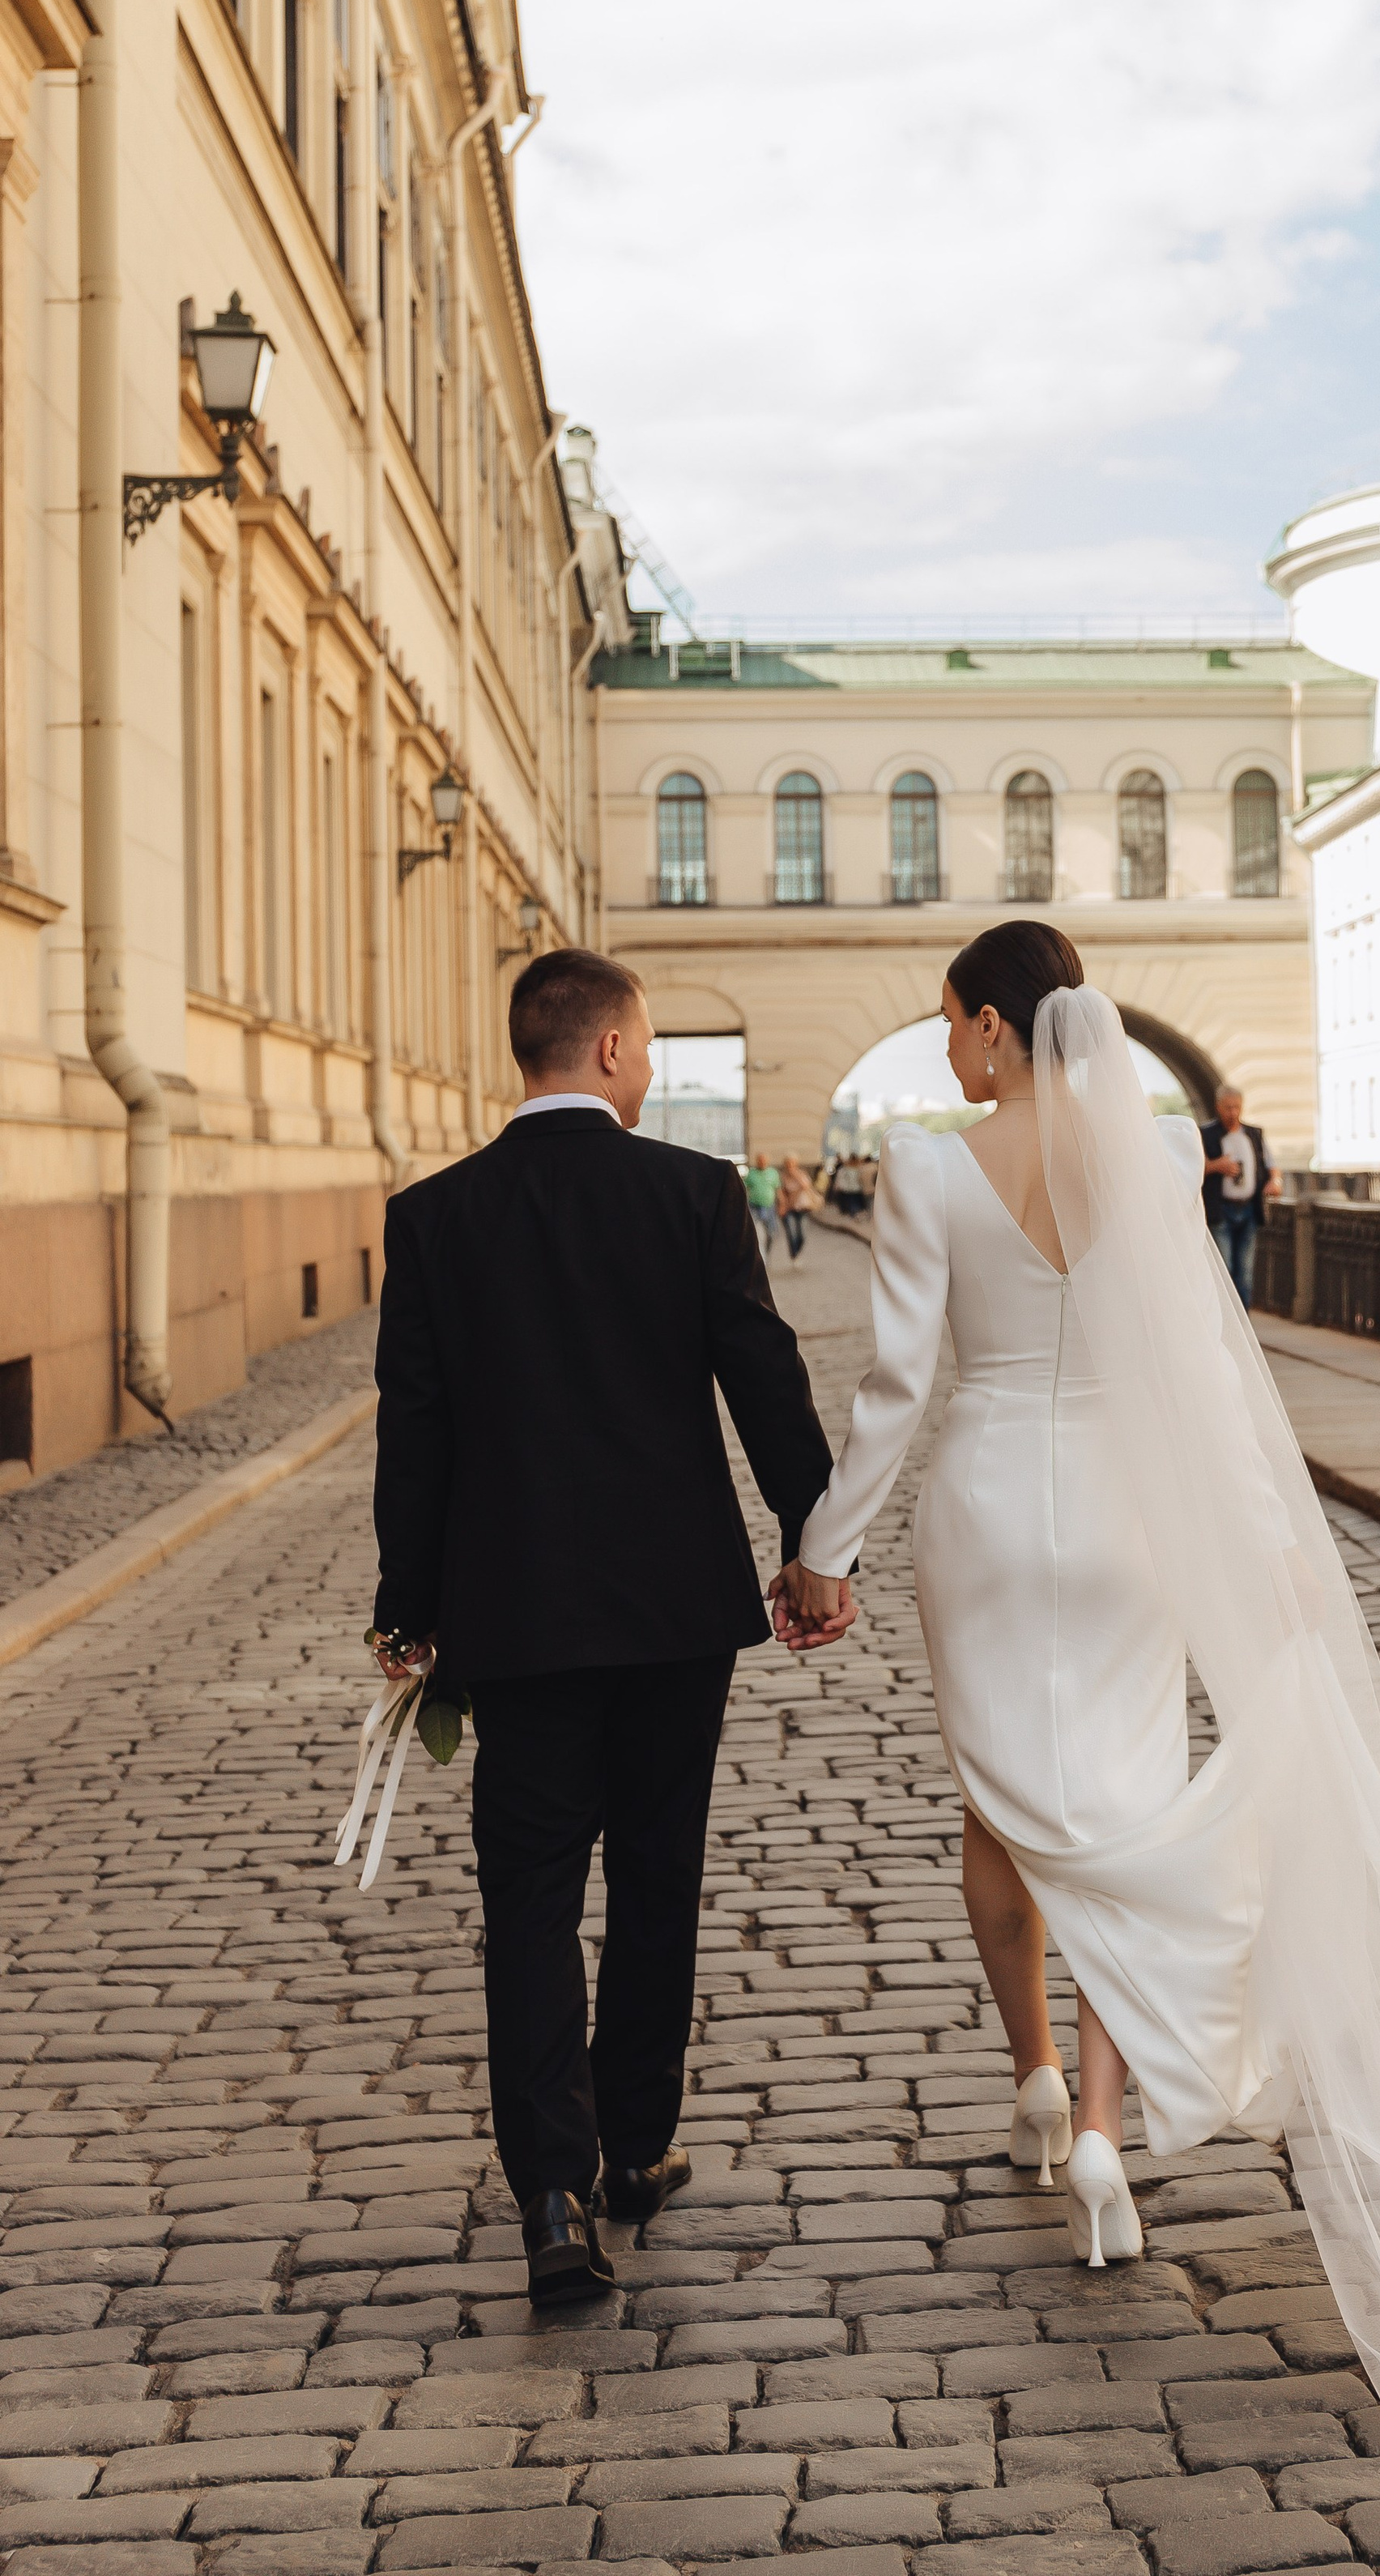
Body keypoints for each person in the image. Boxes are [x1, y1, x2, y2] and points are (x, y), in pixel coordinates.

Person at [767, 924, 1380, 2417]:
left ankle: (1037, 2080)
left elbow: (895, 1387)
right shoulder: (1161, 1147)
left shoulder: (928, 1170)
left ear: (998, 1027)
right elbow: (1197, 1353)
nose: (945, 1052)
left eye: (952, 1027)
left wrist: (825, 1551)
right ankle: (1112, 2134)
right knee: (1123, 1805)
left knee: (1001, 1814)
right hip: (1131, 1513)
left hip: (989, 1512)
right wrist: (1268, 1546)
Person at [371, 949, 841, 2307]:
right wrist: (819, 1546)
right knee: (654, 1878)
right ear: (620, 1052)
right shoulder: (690, 1194)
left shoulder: (434, 1217)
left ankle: (554, 2194)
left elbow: (420, 1434)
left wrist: (409, 1610)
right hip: (669, 1614)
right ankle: (636, 2145)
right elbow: (763, 1377)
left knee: (525, 1899)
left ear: (531, 1052)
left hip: (512, 1620)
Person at [1199, 1081, 1279, 1309]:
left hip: (1249, 1210)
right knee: (1224, 1269)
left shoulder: (1254, 1134)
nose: (1233, 1113)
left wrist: (1275, 1181)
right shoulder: (1206, 1134)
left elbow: (1271, 1165)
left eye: (1237, 1107)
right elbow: (1194, 1166)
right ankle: (1224, 1322)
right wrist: (1217, 1166)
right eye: (1228, 1108)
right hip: (1220, 1210)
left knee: (1245, 1271)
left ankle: (1243, 1327)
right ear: (1218, 1107)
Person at [776, 1152, 816, 1260]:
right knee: (791, 1233)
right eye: (788, 1163)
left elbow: (806, 1186)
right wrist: (782, 1206)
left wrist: (796, 1175)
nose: (790, 1166)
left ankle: (798, 1251)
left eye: (792, 1163)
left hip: (802, 1208)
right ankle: (793, 1254)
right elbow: (781, 1192)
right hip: (789, 1208)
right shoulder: (783, 1177)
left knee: (802, 1234)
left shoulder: (801, 1174)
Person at [743, 1152, 781, 1256]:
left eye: (764, 1160)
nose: (762, 1162)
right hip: (754, 1206)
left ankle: (767, 1253)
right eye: (760, 1160)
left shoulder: (773, 1173)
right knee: (753, 1232)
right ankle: (759, 1255)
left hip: (769, 1206)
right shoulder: (752, 1173)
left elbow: (778, 1189)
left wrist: (782, 1204)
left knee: (771, 1233)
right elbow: (745, 1188)